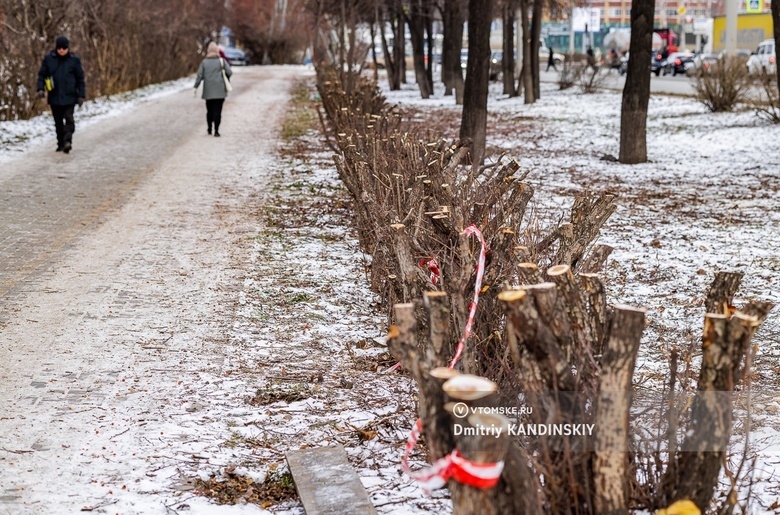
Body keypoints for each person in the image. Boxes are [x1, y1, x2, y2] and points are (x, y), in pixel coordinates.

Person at [36, 36, 86, 153]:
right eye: (59, 48)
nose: (61, 50)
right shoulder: (49, 59)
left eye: (64, 48)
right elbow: (42, 75)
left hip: (70, 95)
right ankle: (60, 143)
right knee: (58, 121)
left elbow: (80, 79)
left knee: (69, 119)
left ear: (68, 48)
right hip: (54, 95)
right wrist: (40, 89)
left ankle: (68, 140)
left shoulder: (74, 60)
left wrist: (81, 95)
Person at [194, 41, 232, 137]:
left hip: (208, 91)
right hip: (220, 91)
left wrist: (196, 86)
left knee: (209, 110)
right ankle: (217, 130)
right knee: (218, 111)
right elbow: (230, 72)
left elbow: (199, 76)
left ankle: (209, 128)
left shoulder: (204, 62)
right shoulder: (221, 61)